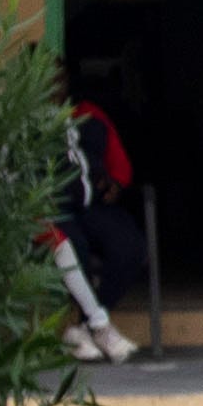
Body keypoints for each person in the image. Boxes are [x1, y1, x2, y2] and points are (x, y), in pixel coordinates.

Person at [46, 75, 149, 364]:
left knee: (130, 247)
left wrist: (116, 182)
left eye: (59, 79)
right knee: (71, 247)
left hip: (94, 206)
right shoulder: (26, 122)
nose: (55, 86)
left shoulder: (88, 115)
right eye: (46, 80)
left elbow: (120, 165)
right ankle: (97, 327)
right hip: (56, 211)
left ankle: (82, 327)